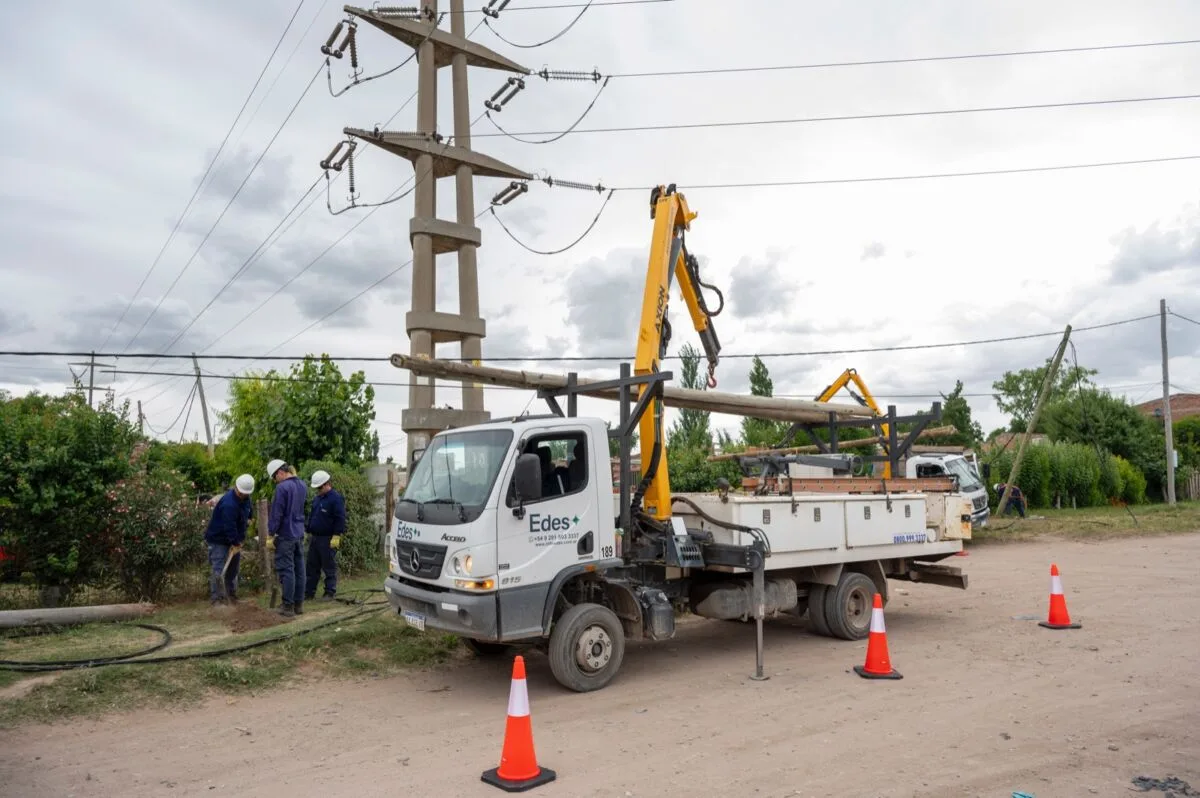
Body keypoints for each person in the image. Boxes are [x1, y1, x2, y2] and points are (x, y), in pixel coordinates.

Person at [204, 474, 255, 606]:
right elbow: (229, 527)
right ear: (237, 489)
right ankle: (217, 599)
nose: (245, 495)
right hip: (218, 538)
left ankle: (231, 595)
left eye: (246, 494)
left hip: (235, 538)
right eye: (243, 493)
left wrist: (250, 517)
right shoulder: (229, 504)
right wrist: (236, 542)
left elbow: (248, 511)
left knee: (233, 568)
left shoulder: (246, 498)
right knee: (219, 569)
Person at [267, 458, 308, 617]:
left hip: (286, 534)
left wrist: (271, 534)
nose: (274, 481)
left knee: (287, 570)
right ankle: (299, 605)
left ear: (280, 472)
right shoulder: (302, 485)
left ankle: (287, 606)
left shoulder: (282, 488)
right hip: (299, 533)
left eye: (274, 477)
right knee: (300, 569)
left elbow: (276, 514)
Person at [305, 469, 346, 602]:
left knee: (328, 566)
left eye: (319, 488)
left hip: (328, 538)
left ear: (326, 484)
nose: (318, 490)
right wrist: (308, 528)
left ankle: (329, 592)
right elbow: (312, 516)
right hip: (315, 538)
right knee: (312, 567)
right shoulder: (317, 499)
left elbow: (340, 518)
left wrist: (337, 535)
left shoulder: (336, 498)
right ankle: (309, 592)